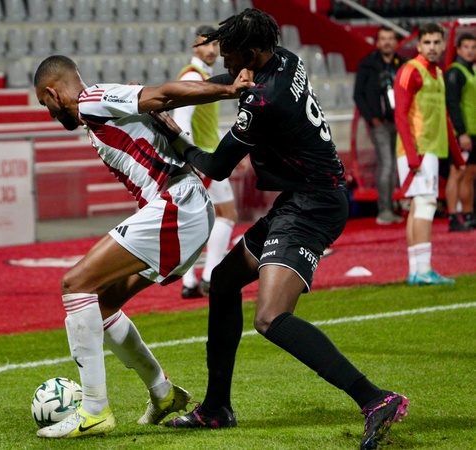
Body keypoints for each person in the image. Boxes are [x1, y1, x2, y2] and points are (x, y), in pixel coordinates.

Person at [150, 9, 409, 450]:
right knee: (225, 282)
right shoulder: (286, 58)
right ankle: (216, 408)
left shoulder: (265, 100)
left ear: (251, 52)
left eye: (231, 57)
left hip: (313, 207)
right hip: (304, 196)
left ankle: (375, 398)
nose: (229, 67)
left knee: (270, 318)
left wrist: (175, 136)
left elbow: (215, 166)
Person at [32, 55, 252, 439]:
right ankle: (163, 392)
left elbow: (166, 94)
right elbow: (158, 109)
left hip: (177, 205)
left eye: (44, 104)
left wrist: (228, 90)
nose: (49, 112)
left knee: (74, 284)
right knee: (101, 305)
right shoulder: (100, 113)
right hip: (185, 208)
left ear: (53, 92)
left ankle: (94, 409)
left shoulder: (91, 101)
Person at [394, 23, 466, 286]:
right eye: (428, 43)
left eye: (437, 42)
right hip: (419, 149)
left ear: (444, 44)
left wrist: (456, 157)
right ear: (419, 44)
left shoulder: (438, 74)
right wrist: (412, 154)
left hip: (430, 149)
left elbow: (444, 119)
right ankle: (423, 269)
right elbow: (400, 115)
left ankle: (416, 271)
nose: (433, 47)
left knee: (419, 205)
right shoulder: (410, 70)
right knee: (425, 204)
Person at [173, 25, 239, 299]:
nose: (211, 49)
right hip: (203, 158)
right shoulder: (193, 76)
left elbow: (207, 123)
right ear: (195, 47)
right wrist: (190, 156)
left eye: (215, 44)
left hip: (204, 153)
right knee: (227, 214)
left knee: (193, 221)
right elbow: (181, 118)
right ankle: (210, 277)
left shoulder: (203, 75)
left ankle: (189, 282)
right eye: (205, 44)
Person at [353, 26, 406, 225]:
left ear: (395, 42)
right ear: (377, 42)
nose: (386, 42)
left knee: (393, 166)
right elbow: (358, 95)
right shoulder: (367, 64)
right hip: (379, 123)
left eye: (390, 38)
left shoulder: (402, 64)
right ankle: (384, 210)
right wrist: (372, 117)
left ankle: (390, 208)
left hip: (399, 122)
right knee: (387, 164)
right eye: (383, 38)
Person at [443, 33, 476, 232]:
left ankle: (469, 214)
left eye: (473, 47)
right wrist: (461, 132)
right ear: (458, 49)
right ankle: (453, 216)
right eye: (466, 47)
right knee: (456, 173)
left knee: (470, 174)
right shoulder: (454, 72)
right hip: (462, 132)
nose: (470, 50)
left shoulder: (470, 71)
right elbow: (452, 104)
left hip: (473, 132)